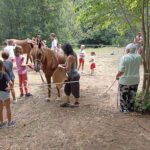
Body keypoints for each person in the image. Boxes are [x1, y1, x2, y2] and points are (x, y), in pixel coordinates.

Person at [116, 43, 142, 113]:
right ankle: (131, 108)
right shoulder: (139, 57)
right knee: (132, 95)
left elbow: (121, 70)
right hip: (135, 80)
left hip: (125, 80)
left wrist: (117, 76)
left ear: (128, 49)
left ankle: (124, 109)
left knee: (123, 95)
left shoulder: (124, 57)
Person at [0, 60, 16, 129]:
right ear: (2, 66)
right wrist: (10, 88)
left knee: (0, 109)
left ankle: (1, 123)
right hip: (5, 93)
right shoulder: (4, 74)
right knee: (8, 108)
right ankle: (9, 123)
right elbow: (11, 83)